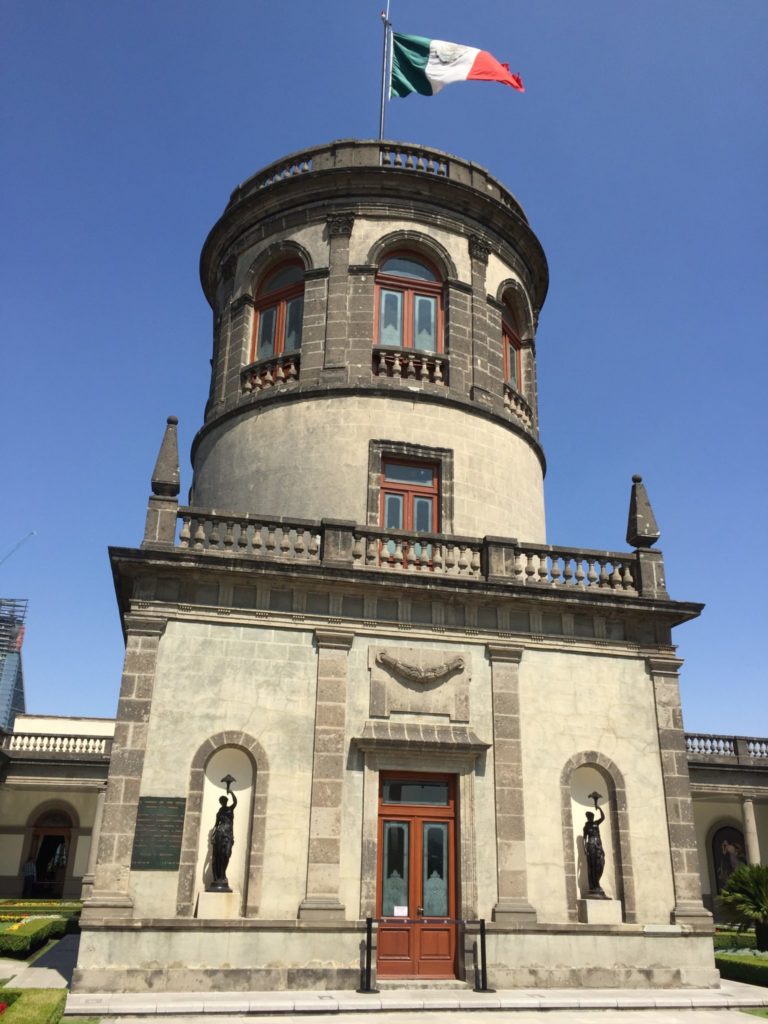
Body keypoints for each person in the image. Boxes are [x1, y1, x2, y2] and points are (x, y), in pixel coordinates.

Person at [210, 789, 237, 891]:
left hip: (228, 835)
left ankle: (223, 874)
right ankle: (221, 876)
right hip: (220, 834)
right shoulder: (219, 812)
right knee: (219, 856)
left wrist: (231, 792)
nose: (223, 802)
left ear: (226, 801)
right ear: (220, 802)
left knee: (226, 854)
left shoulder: (230, 809)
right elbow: (216, 824)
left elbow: (235, 802)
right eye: (222, 801)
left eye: (224, 801)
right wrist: (213, 835)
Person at [582, 798, 607, 898]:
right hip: (591, 845)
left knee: (600, 864)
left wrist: (599, 808)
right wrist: (584, 849)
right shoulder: (587, 826)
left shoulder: (596, 823)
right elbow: (584, 838)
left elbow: (603, 817)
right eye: (590, 817)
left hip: (598, 845)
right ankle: (594, 886)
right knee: (592, 866)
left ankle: (597, 883)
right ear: (588, 818)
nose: (591, 818)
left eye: (592, 816)